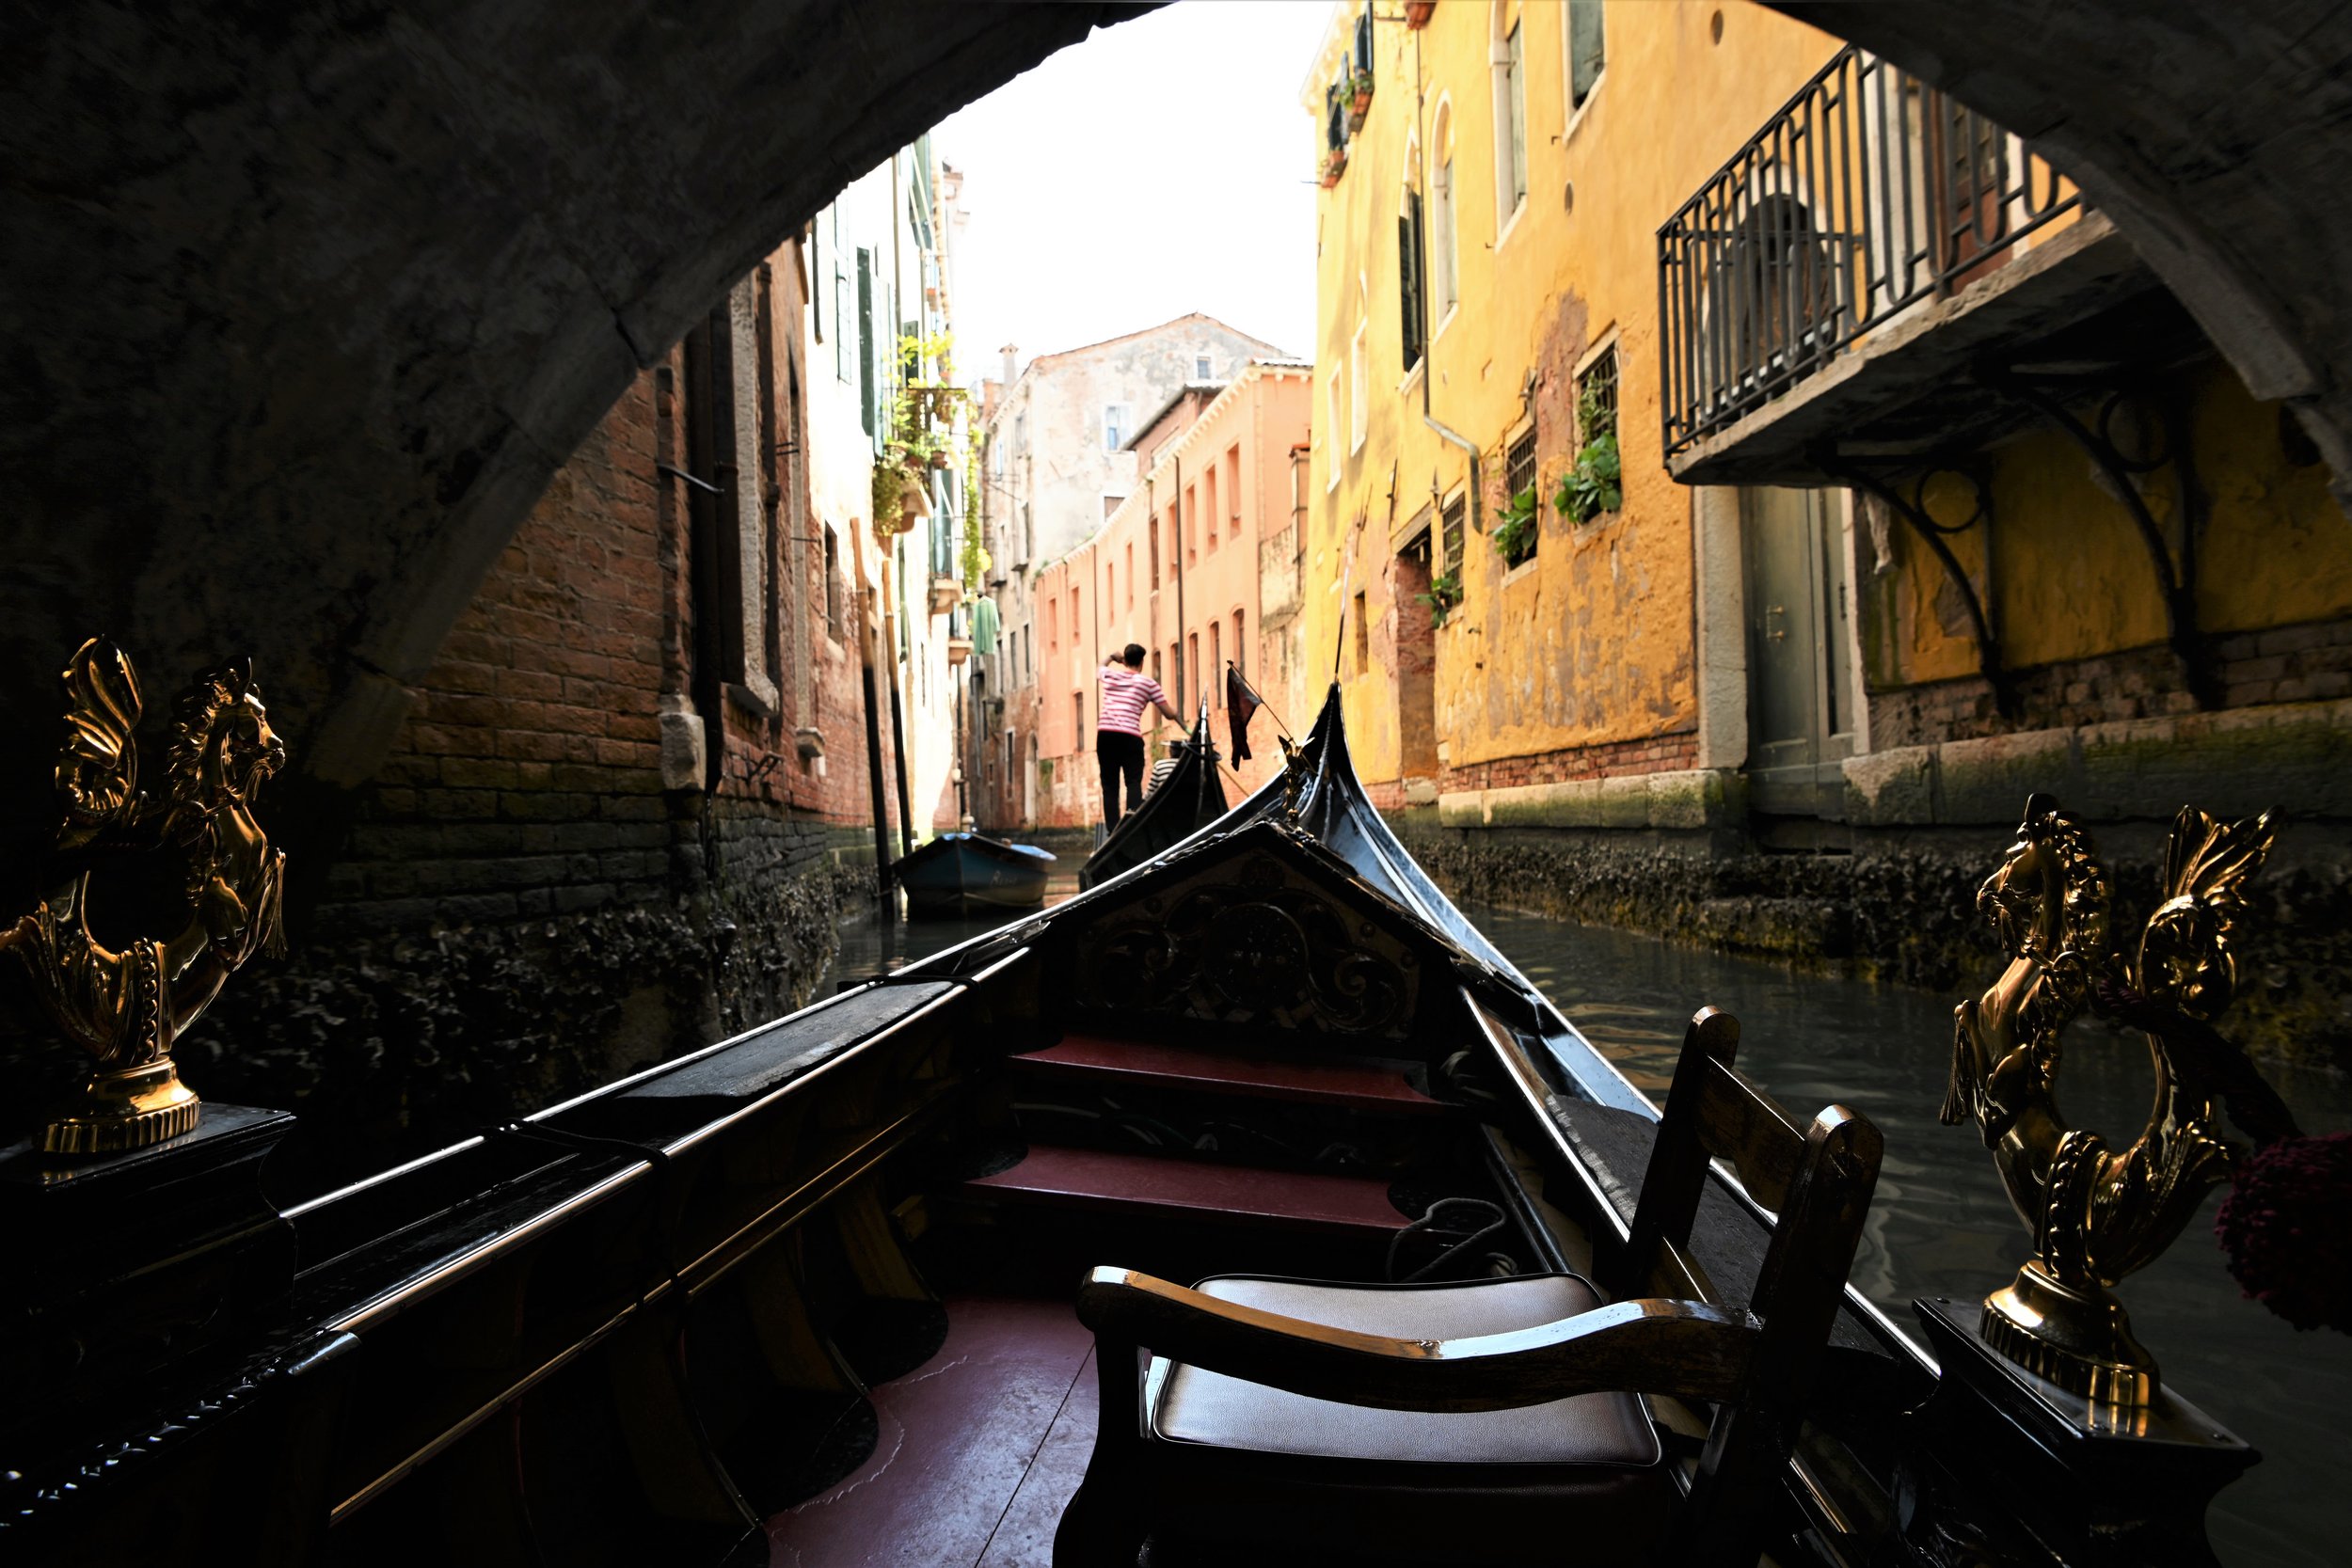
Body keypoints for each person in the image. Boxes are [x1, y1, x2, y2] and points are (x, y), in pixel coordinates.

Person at [1096, 642, 1181, 832]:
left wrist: (1111, 656)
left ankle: (1112, 831)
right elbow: (1168, 713)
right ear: (1142, 662)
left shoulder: (1110, 675)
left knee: (1109, 786)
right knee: (1133, 782)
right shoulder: (1148, 684)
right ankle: (1129, 828)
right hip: (1129, 736)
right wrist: (1176, 712)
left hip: (1106, 734)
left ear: (1124, 660)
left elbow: (1100, 667)